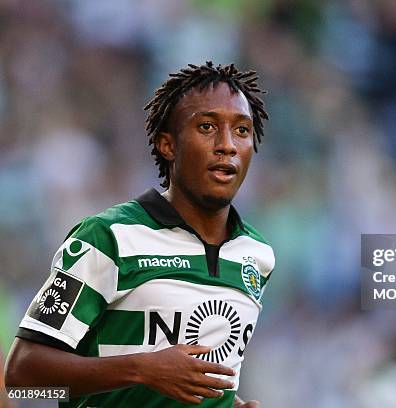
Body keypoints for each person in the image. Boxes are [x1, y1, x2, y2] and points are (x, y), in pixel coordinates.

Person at [4, 61, 274, 407]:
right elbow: (22, 380)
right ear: (168, 145)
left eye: (241, 130)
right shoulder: (106, 238)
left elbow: (193, 379)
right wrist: (141, 371)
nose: (227, 145)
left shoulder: (257, 256)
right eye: (207, 127)